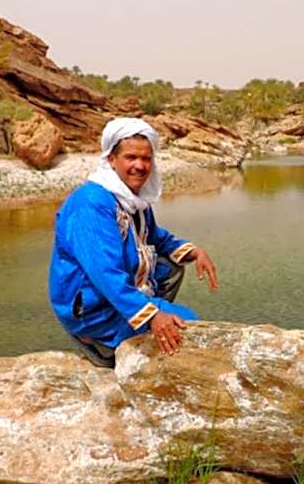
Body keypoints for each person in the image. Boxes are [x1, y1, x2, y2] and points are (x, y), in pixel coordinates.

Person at [48, 117, 217, 367]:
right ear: (111, 160)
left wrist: (193, 251)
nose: (140, 166)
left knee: (170, 266)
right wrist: (151, 316)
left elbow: (155, 237)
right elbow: (105, 273)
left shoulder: (132, 200)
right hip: (93, 307)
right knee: (187, 330)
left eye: (146, 159)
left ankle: (142, 316)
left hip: (113, 294)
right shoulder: (92, 203)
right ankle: (101, 343)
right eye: (131, 158)